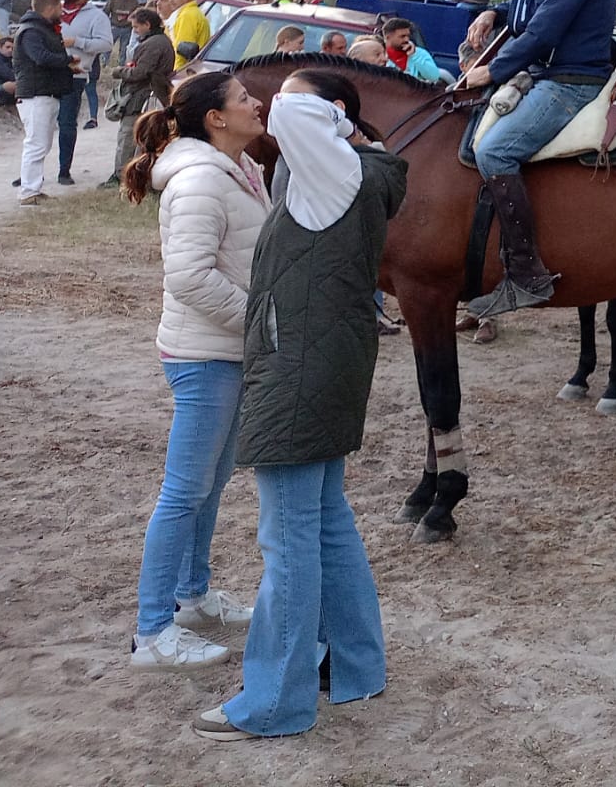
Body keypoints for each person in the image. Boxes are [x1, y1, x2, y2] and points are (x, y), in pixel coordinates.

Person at [191, 70, 404, 742]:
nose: (268, 104)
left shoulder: (334, 171)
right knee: (325, 520)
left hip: (301, 366)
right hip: (326, 360)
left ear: (331, 115)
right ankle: (357, 666)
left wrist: (332, 116)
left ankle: (275, 703)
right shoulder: (349, 174)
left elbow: (294, 111)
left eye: (290, 95)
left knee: (286, 538)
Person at [120, 71, 271, 669]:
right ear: (216, 118)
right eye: (244, 99)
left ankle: (192, 595)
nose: (257, 103)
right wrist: (261, 321)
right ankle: (153, 632)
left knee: (210, 481)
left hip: (228, 350)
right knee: (184, 491)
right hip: (204, 354)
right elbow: (189, 276)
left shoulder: (242, 170)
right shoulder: (202, 182)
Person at [457, 0, 616, 318]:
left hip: (570, 82)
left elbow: (543, 31)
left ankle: (527, 275)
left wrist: (492, 71)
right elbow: (530, 11)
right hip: (548, 77)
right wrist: (494, 12)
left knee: (494, 149)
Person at [12, 0, 75, 203]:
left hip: (46, 93)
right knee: (36, 144)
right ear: (50, 8)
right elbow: (40, 57)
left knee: (42, 144)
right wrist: (67, 60)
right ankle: (28, 191)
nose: (62, 11)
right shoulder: (31, 31)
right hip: (35, 94)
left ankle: (33, 188)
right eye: (59, 7)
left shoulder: (43, 29)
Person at [105, 6, 177, 187]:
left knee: (128, 137)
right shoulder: (159, 41)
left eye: (137, 27)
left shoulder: (153, 44)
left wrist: (119, 71)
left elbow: (140, 72)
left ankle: (121, 176)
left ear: (147, 24)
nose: (134, 30)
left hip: (143, 96)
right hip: (150, 94)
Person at [60, 0, 114, 156]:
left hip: (75, 75)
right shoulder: (54, 11)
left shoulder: (96, 16)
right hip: (45, 73)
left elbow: (106, 44)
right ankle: (32, 172)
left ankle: (64, 170)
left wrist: (77, 41)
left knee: (67, 123)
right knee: (40, 125)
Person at [166, 0, 212, 71]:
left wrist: (176, 73)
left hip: (185, 70)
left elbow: (182, 50)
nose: (170, 0)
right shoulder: (188, 13)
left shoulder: (188, 15)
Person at [382, 18, 440, 82]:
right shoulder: (380, 55)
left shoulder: (419, 53)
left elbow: (434, 77)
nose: (407, 39)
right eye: (402, 36)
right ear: (387, 38)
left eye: (408, 36)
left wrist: (414, 55)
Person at [109, 0, 141, 66]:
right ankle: (105, 63)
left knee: (124, 49)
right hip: (114, 27)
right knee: (107, 46)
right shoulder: (113, 0)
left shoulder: (134, 2)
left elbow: (137, 14)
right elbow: (106, 11)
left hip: (127, 28)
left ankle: (121, 65)